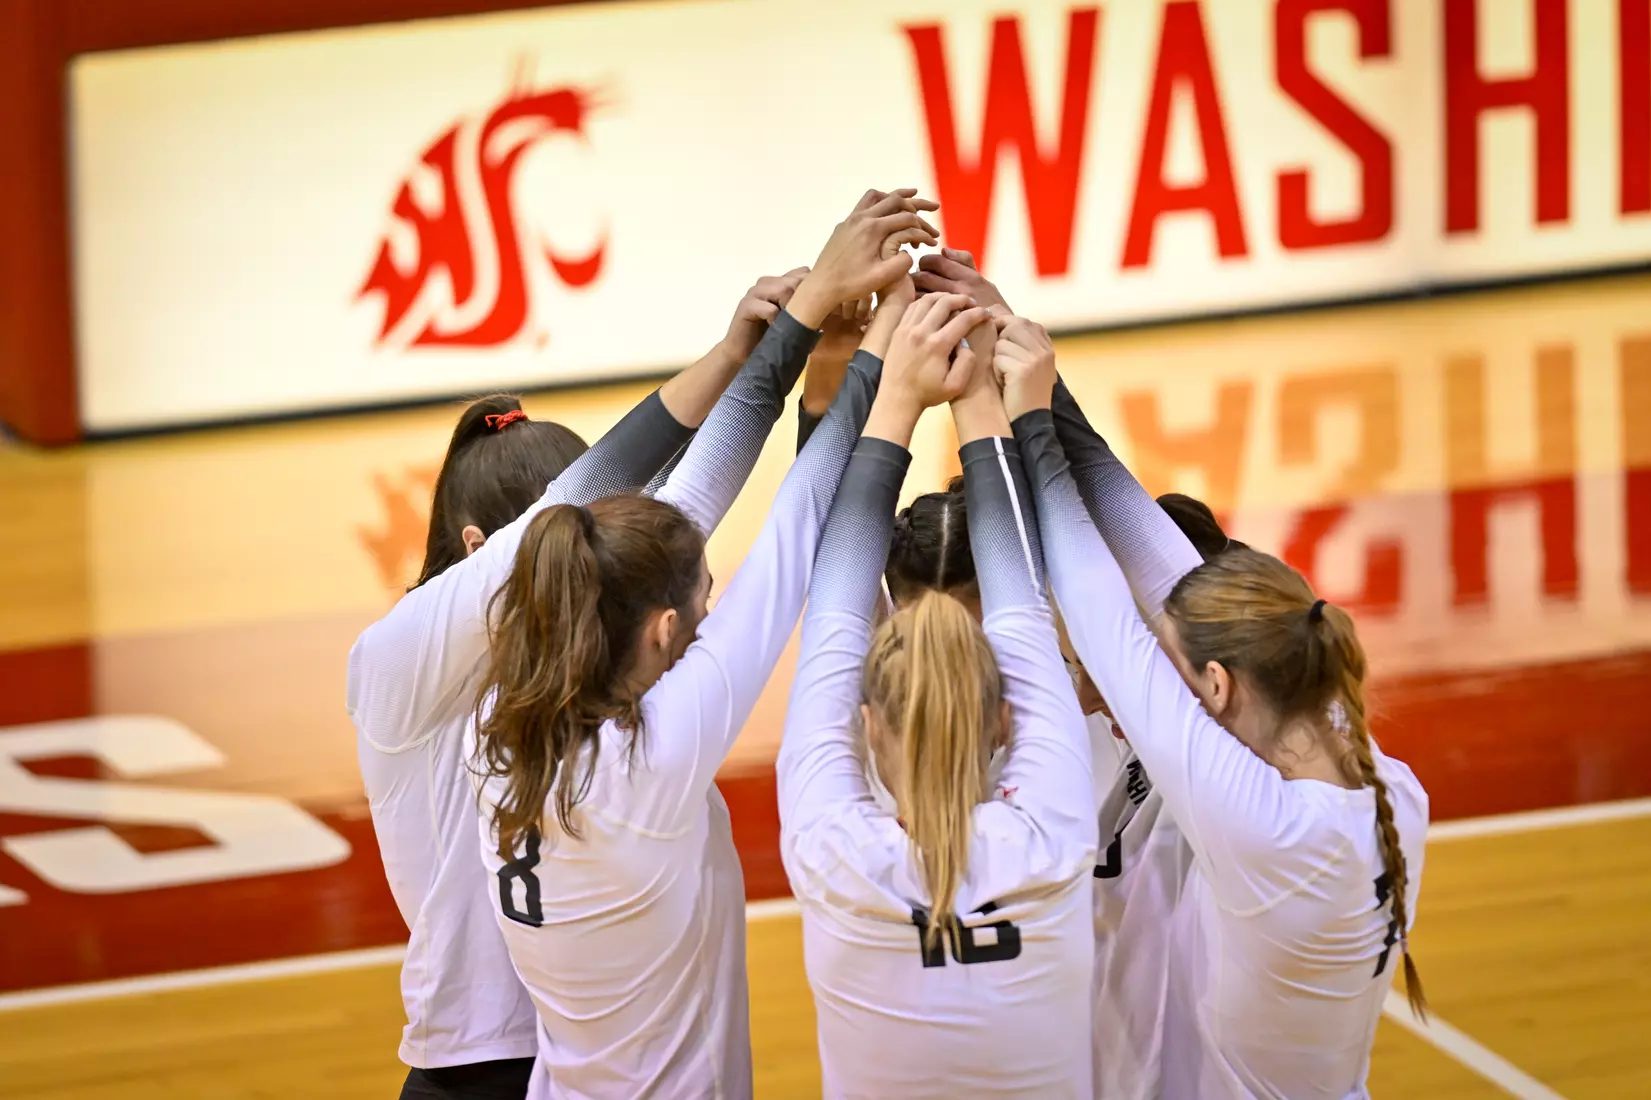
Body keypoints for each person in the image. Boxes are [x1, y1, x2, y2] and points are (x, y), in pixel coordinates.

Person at [468, 188, 939, 1100]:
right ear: (661, 630)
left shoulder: (504, 711)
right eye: (704, 602)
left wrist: (811, 341)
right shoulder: (650, 760)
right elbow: (797, 534)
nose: (716, 608)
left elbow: (684, 509)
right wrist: (879, 356)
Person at [347, 268, 813, 1099]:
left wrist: (751, 352)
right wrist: (784, 357)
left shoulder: (560, 683)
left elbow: (673, 523)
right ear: (484, 544)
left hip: (569, 1051)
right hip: (487, 1060)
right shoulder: (397, 666)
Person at [1000, 315, 1428, 1099]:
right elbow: (1169, 577)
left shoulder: (1263, 826)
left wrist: (1024, 422)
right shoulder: (1380, 781)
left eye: (1178, 667)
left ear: (1219, 686)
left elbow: (1105, 622)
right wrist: (1046, 395)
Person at [776, 295, 1095, 1098]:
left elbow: (830, 582)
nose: (945, 651)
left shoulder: (835, 839)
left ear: (868, 722)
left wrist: (859, 389)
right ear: (1007, 710)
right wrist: (983, 393)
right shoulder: (1058, 811)